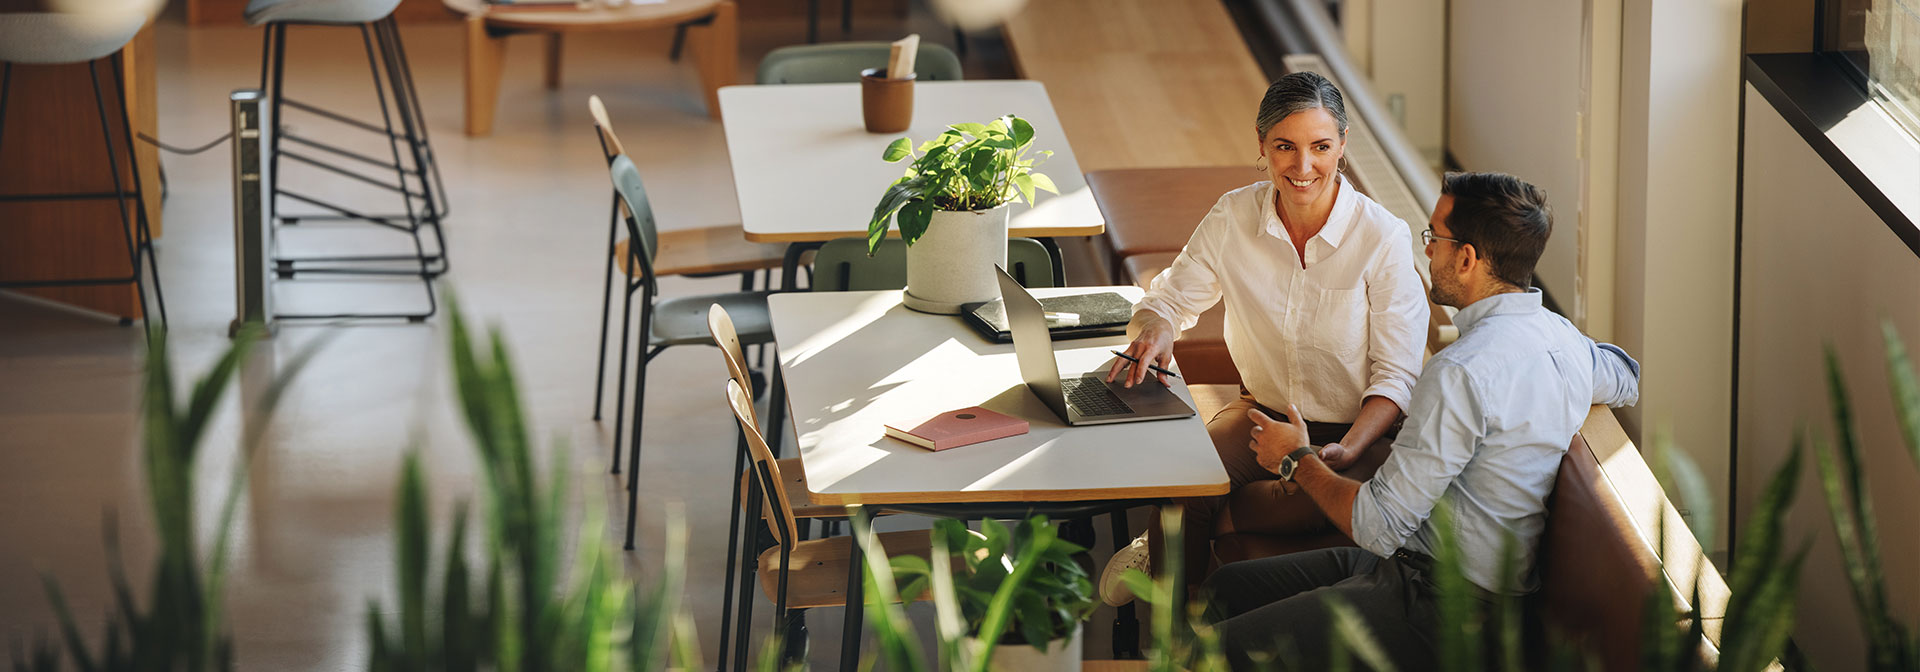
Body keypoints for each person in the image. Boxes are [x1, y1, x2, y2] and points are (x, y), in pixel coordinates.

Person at [1199, 172, 1642, 669]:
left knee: (1208, 652)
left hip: (1445, 607)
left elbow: (1376, 524)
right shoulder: (1561, 338)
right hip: (1419, 567)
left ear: (1468, 258)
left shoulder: (1460, 371)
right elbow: (1626, 375)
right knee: (1224, 588)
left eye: (1434, 238)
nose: (1426, 251)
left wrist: (1296, 458)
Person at [1098, 72, 1429, 604]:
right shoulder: (1233, 216)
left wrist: (1342, 451)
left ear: (1342, 146)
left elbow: (1396, 376)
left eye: (1321, 147)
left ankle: (1195, 529)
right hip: (1263, 415)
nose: (1303, 167)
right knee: (1182, 478)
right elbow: (1169, 300)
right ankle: (1174, 642)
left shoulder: (1382, 237)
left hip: (1359, 431)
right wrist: (1157, 328)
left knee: (1299, 498)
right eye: (1285, 147)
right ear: (1262, 146)